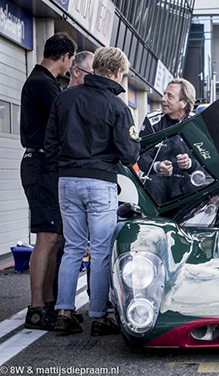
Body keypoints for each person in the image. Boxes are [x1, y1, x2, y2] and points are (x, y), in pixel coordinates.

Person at [45, 46, 140, 335]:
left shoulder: (65, 98)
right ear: (117, 72)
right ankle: (99, 317)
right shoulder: (117, 106)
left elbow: (50, 144)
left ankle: (63, 312)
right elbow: (129, 154)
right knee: (99, 251)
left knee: (73, 247)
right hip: (100, 181)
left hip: (67, 180)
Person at [20, 31, 77, 331]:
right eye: (71, 62)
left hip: (43, 164)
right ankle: (36, 307)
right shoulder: (43, 83)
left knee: (55, 237)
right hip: (40, 164)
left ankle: (48, 302)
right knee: (46, 236)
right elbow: (65, 118)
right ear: (66, 57)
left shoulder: (42, 81)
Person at [137, 78, 201, 203]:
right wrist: (157, 166)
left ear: (183, 103)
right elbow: (141, 155)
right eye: (164, 94)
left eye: (169, 96)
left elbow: (209, 162)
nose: (163, 99)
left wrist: (190, 164)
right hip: (156, 187)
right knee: (153, 182)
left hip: (187, 187)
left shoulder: (197, 124)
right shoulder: (152, 120)